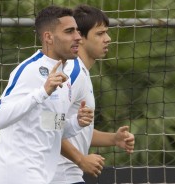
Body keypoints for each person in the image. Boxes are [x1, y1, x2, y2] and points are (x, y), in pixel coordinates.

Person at [0, 5, 94, 184]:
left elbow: (46, 125)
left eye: (77, 31)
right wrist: (42, 92)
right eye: (69, 31)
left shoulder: (64, 73)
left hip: (39, 175)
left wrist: (76, 122)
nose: (77, 37)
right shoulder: (30, 70)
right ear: (48, 37)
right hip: (16, 175)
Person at [51, 4, 135, 184]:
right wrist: (80, 159)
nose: (108, 39)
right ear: (79, 37)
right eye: (100, 33)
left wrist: (114, 139)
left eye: (106, 32)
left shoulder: (81, 72)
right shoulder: (72, 73)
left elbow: (74, 129)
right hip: (59, 176)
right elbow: (48, 122)